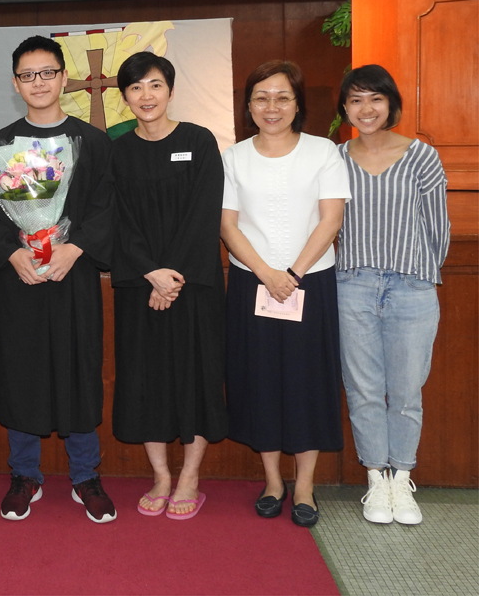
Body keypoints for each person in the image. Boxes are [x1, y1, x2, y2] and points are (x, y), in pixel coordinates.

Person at [0, 35, 116, 523]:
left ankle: (85, 475)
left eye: (47, 72)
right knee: (21, 371)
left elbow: (107, 207)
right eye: (27, 75)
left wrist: (74, 248)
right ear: (15, 84)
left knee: (79, 369)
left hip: (72, 276)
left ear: (63, 77)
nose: (37, 82)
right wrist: (11, 252)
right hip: (19, 279)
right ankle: (24, 475)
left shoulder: (93, 141)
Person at [220, 60, 350, 528]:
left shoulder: (323, 152)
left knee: (307, 381)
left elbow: (331, 219)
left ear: (298, 104)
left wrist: (291, 274)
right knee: (260, 380)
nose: (271, 107)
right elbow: (227, 225)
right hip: (251, 283)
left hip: (310, 282)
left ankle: (306, 485)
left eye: (282, 97)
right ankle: (273, 481)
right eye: (261, 98)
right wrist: (266, 274)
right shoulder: (234, 157)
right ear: (249, 105)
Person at [110, 52, 227, 520]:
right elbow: (116, 220)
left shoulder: (198, 141)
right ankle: (160, 475)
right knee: (146, 380)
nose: (146, 95)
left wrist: (172, 276)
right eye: (136, 87)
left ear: (171, 91)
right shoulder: (117, 151)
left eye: (155, 85)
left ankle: (190, 477)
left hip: (193, 285)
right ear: (124, 97)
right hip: (140, 287)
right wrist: (150, 272)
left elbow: (205, 213)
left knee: (195, 376)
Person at [334, 65, 449, 526]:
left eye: (375, 98)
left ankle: (401, 478)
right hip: (353, 285)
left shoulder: (422, 156)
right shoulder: (335, 159)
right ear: (345, 108)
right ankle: (375, 479)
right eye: (356, 100)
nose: (366, 108)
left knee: (405, 391)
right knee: (363, 388)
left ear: (391, 104)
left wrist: (421, 275)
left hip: (411, 287)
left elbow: (437, 228)